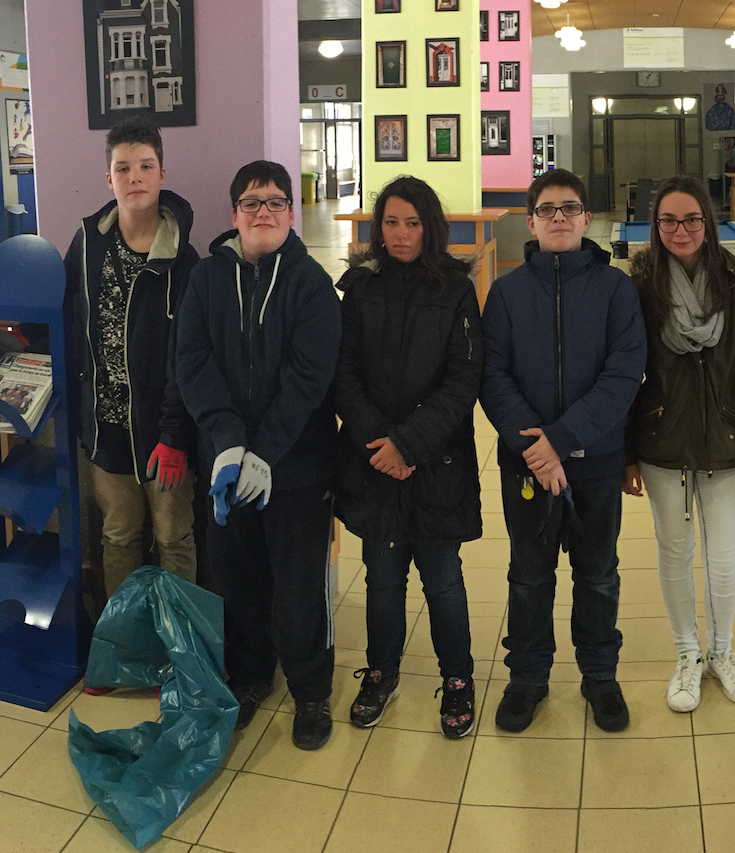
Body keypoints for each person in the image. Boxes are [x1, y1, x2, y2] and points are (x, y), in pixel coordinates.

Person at [175, 160, 342, 750]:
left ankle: (311, 690)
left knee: (299, 588)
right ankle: (249, 677)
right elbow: (192, 362)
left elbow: (309, 378)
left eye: (274, 202)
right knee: (237, 581)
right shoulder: (207, 280)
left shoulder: (312, 284)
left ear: (291, 212)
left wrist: (265, 452)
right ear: (234, 214)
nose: (263, 212)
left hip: (296, 468)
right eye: (251, 203)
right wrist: (228, 444)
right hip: (226, 468)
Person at [480, 170, 647, 733]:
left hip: (595, 462)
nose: (558, 217)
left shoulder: (615, 288)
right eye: (547, 210)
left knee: (598, 575)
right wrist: (537, 448)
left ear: (586, 219)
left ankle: (600, 674)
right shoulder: (506, 293)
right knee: (529, 576)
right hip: (526, 465)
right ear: (530, 222)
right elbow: (492, 376)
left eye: (569, 208)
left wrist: (563, 439)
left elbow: (623, 375)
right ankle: (527, 677)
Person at [332, 177, 483, 738]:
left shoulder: (456, 289)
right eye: (391, 222)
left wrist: (410, 444)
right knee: (381, 578)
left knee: (442, 579)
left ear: (430, 228)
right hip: (376, 463)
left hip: (437, 462)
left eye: (412, 223)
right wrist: (381, 443)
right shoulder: (360, 288)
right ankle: (382, 672)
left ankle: (458, 678)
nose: (400, 234)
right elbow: (343, 373)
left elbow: (464, 379)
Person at [622, 176, 735, 712]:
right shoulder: (638, 288)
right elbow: (624, 376)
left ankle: (722, 652)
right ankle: (688, 654)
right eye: (668, 221)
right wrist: (627, 454)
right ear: (655, 225)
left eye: (691, 220)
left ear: (708, 221)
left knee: (724, 557)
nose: (680, 231)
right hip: (661, 438)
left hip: (726, 437)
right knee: (675, 552)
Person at [63, 118, 200, 603]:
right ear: (109, 179)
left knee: (173, 537)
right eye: (123, 168)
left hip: (164, 433)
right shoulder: (87, 244)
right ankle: (123, 640)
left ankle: (181, 643)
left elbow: (190, 357)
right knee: (118, 536)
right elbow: (69, 320)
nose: (134, 177)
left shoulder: (184, 262)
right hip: (107, 429)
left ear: (162, 174)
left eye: (145, 166)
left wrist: (175, 435)